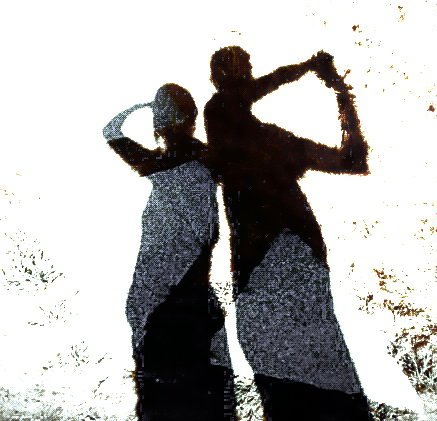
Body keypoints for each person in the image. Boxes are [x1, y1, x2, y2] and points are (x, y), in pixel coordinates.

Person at [205, 47, 372, 420]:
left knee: (294, 382)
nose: (245, 80)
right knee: (323, 372)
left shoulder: (244, 136)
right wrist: (336, 90)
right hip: (295, 263)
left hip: (268, 269)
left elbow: (352, 161)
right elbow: (353, 159)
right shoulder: (249, 131)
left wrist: (335, 91)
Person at [103, 84, 234, 421]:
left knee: (163, 395)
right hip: (184, 296)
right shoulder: (204, 161)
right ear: (192, 120)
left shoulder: (159, 164)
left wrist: (140, 106)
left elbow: (111, 131)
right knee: (202, 394)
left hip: (165, 297)